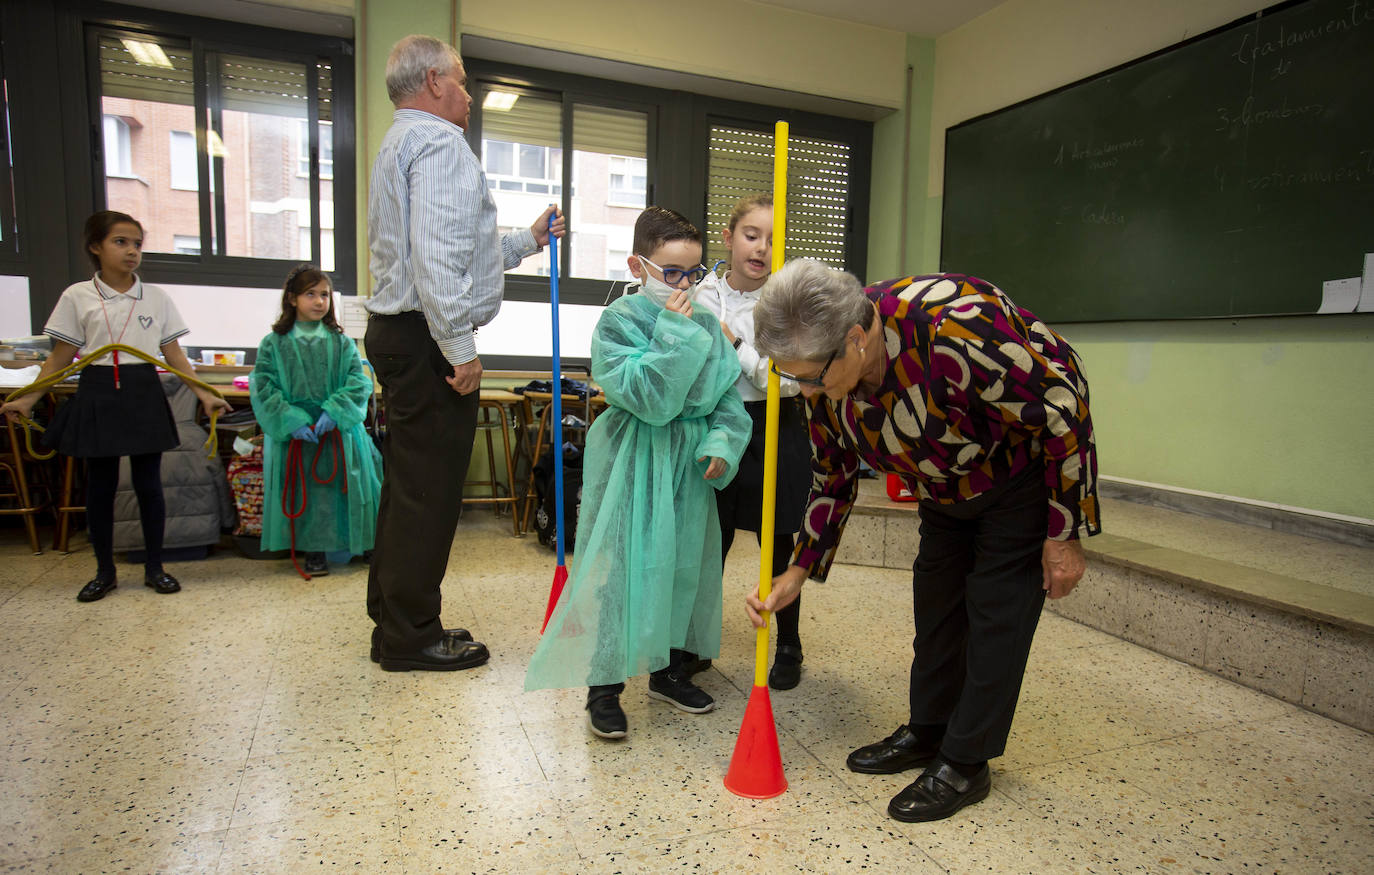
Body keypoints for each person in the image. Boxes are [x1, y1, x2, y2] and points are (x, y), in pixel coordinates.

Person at [745, 259, 1099, 823]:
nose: (804, 389)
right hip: (941, 482)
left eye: (810, 376)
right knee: (935, 606)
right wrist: (797, 570)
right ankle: (929, 730)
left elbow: (1061, 413)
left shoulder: (958, 330)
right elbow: (832, 471)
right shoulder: (823, 373)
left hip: (1019, 475)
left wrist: (1064, 533)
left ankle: (966, 761)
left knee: (995, 616)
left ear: (857, 339)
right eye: (791, 377)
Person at [365, 34, 563, 672]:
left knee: (407, 488)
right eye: (461, 79)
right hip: (427, 337)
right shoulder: (442, 144)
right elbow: (437, 263)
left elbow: (456, 250)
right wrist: (461, 352)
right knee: (429, 494)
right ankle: (412, 637)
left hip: (402, 333)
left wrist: (526, 242)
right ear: (432, 84)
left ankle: (395, 622)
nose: (470, 94)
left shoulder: (400, 142)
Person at [525, 206, 750, 740]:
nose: (684, 285)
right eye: (671, 272)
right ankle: (604, 687)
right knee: (622, 570)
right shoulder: (619, 321)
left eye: (694, 274)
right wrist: (673, 331)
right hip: (634, 459)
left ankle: (669, 670)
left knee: (683, 569)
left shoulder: (707, 327)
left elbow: (727, 402)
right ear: (638, 266)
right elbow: (647, 397)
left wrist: (721, 441)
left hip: (686, 467)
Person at [1, 211, 231, 601]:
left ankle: (155, 568)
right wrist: (29, 397)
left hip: (143, 389)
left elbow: (174, 355)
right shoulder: (77, 295)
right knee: (102, 486)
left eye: (137, 243)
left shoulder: (156, 298)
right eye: (120, 242)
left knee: (148, 484)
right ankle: (104, 571)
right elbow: (60, 356)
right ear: (96, 246)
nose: (131, 251)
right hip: (99, 389)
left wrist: (205, 393)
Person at [695, 194, 812, 690]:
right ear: (728, 237)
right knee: (711, 536)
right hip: (720, 424)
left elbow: (789, 380)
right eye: (750, 235)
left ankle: (788, 643)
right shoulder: (700, 294)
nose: (761, 248)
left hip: (775, 425)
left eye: (772, 239)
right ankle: (695, 639)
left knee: (779, 536)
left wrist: (736, 345)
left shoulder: (786, 304)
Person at [250, 264, 383, 578]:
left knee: (350, 488)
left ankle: (365, 543)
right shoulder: (274, 344)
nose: (319, 301)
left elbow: (357, 381)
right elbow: (264, 385)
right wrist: (290, 419)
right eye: (311, 294)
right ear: (293, 299)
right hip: (296, 435)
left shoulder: (340, 342)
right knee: (305, 492)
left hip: (338, 431)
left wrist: (334, 412)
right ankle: (314, 551)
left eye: (324, 294)